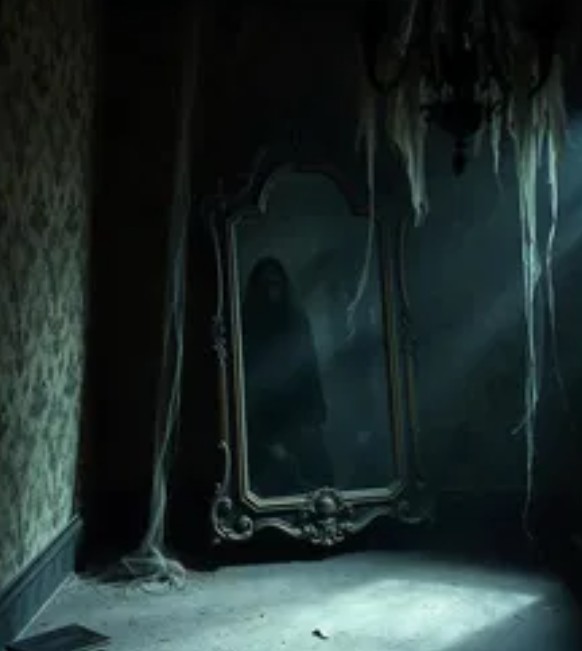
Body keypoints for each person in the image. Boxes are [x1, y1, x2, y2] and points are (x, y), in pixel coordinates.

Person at [241, 256, 333, 497]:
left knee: (318, 483)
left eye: (275, 284)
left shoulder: (296, 321)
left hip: (298, 413)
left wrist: (315, 412)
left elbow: (310, 368)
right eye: (265, 285)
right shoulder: (246, 325)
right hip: (263, 418)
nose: (271, 291)